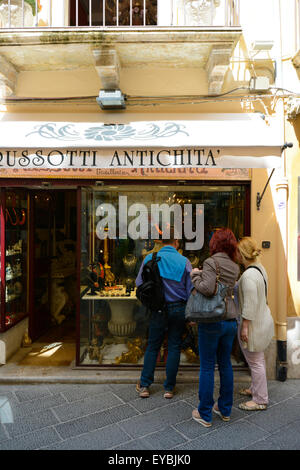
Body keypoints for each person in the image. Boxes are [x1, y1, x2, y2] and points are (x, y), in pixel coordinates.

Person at [190, 228, 240, 427]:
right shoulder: (234, 266)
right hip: (229, 320)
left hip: (212, 321)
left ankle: (204, 414)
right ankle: (225, 409)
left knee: (207, 366)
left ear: (215, 243)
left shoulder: (211, 262)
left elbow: (208, 289)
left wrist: (195, 275)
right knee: (226, 364)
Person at [135, 228, 193, 399]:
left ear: (161, 242)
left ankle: (145, 386)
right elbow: (191, 291)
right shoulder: (184, 261)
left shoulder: (150, 258)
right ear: (176, 242)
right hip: (178, 308)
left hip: (158, 309)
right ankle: (169, 388)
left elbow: (139, 283)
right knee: (174, 346)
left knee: (153, 346)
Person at [237, 237, 274, 411]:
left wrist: (244, 326)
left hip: (254, 324)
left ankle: (260, 399)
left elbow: (249, 303)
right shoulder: (259, 269)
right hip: (263, 319)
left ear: (242, 254)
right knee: (257, 359)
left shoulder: (248, 276)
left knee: (255, 361)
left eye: (237, 252)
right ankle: (255, 389)